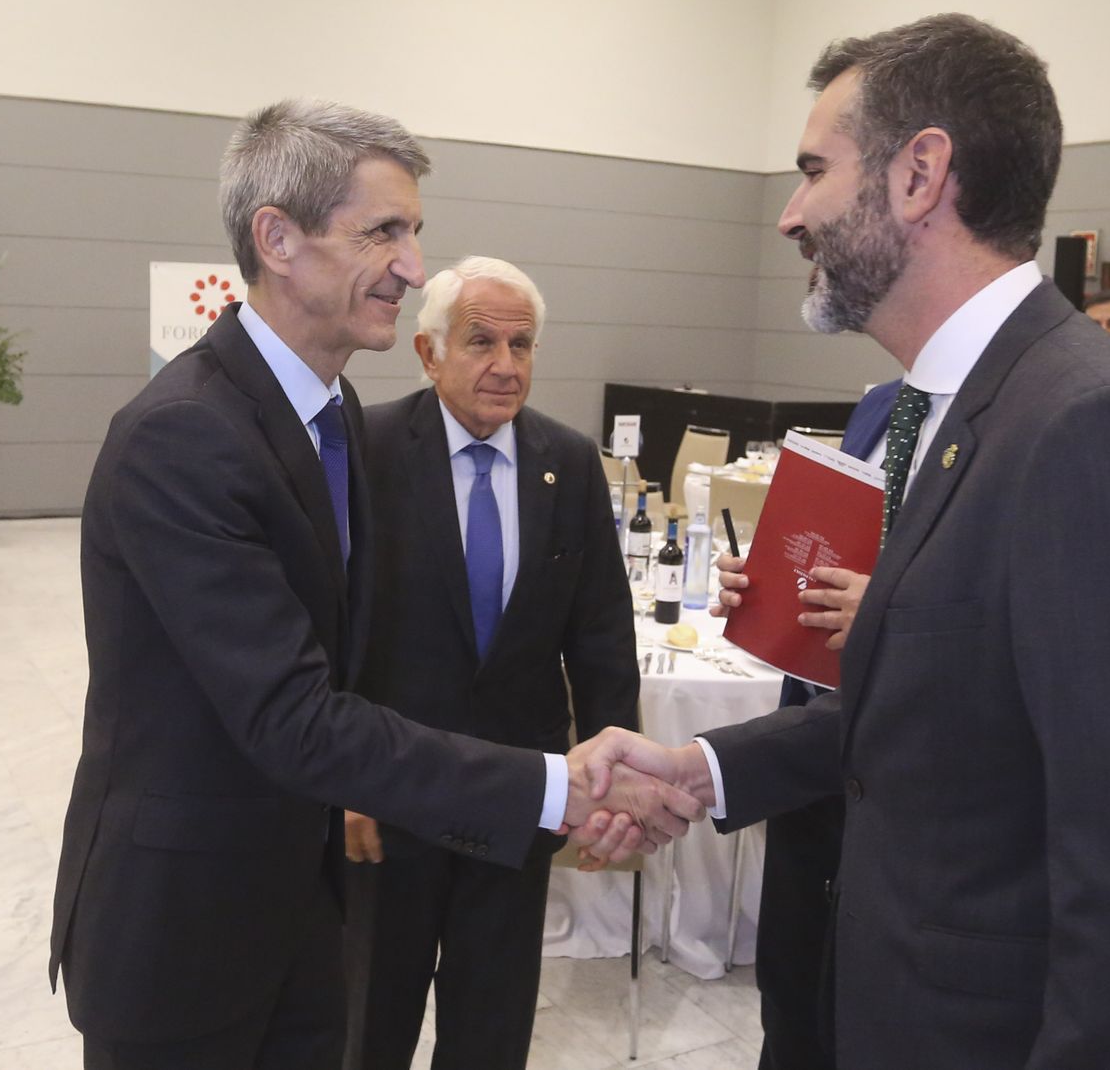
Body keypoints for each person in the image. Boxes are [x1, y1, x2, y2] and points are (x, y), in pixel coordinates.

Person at [575, 13, 1110, 1069]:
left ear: (918, 176)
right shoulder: (963, 412)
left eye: (812, 170)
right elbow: (950, 710)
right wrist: (701, 769)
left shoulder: (1099, 424)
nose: (789, 215)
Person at [48, 99, 698, 1070]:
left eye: (415, 232)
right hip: (186, 934)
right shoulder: (183, 438)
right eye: (381, 232)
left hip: (306, 912)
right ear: (278, 238)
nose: (412, 267)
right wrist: (552, 785)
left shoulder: (332, 416)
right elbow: (295, 716)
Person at [341, 257, 639, 1070]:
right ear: (429, 353)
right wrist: (343, 783)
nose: (506, 366)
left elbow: (603, 633)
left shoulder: (569, 462)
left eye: (523, 344)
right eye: (481, 342)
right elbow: (334, 633)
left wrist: (621, 786)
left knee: (492, 1027)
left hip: (519, 798)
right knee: (368, 1023)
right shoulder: (364, 448)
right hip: (391, 799)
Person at [754, 378, 895, 1070]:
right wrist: (763, 582)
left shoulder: (1019, 413)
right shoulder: (881, 404)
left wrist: (894, 604)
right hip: (809, 744)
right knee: (787, 984)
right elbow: (841, 545)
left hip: (899, 768)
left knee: (862, 1009)